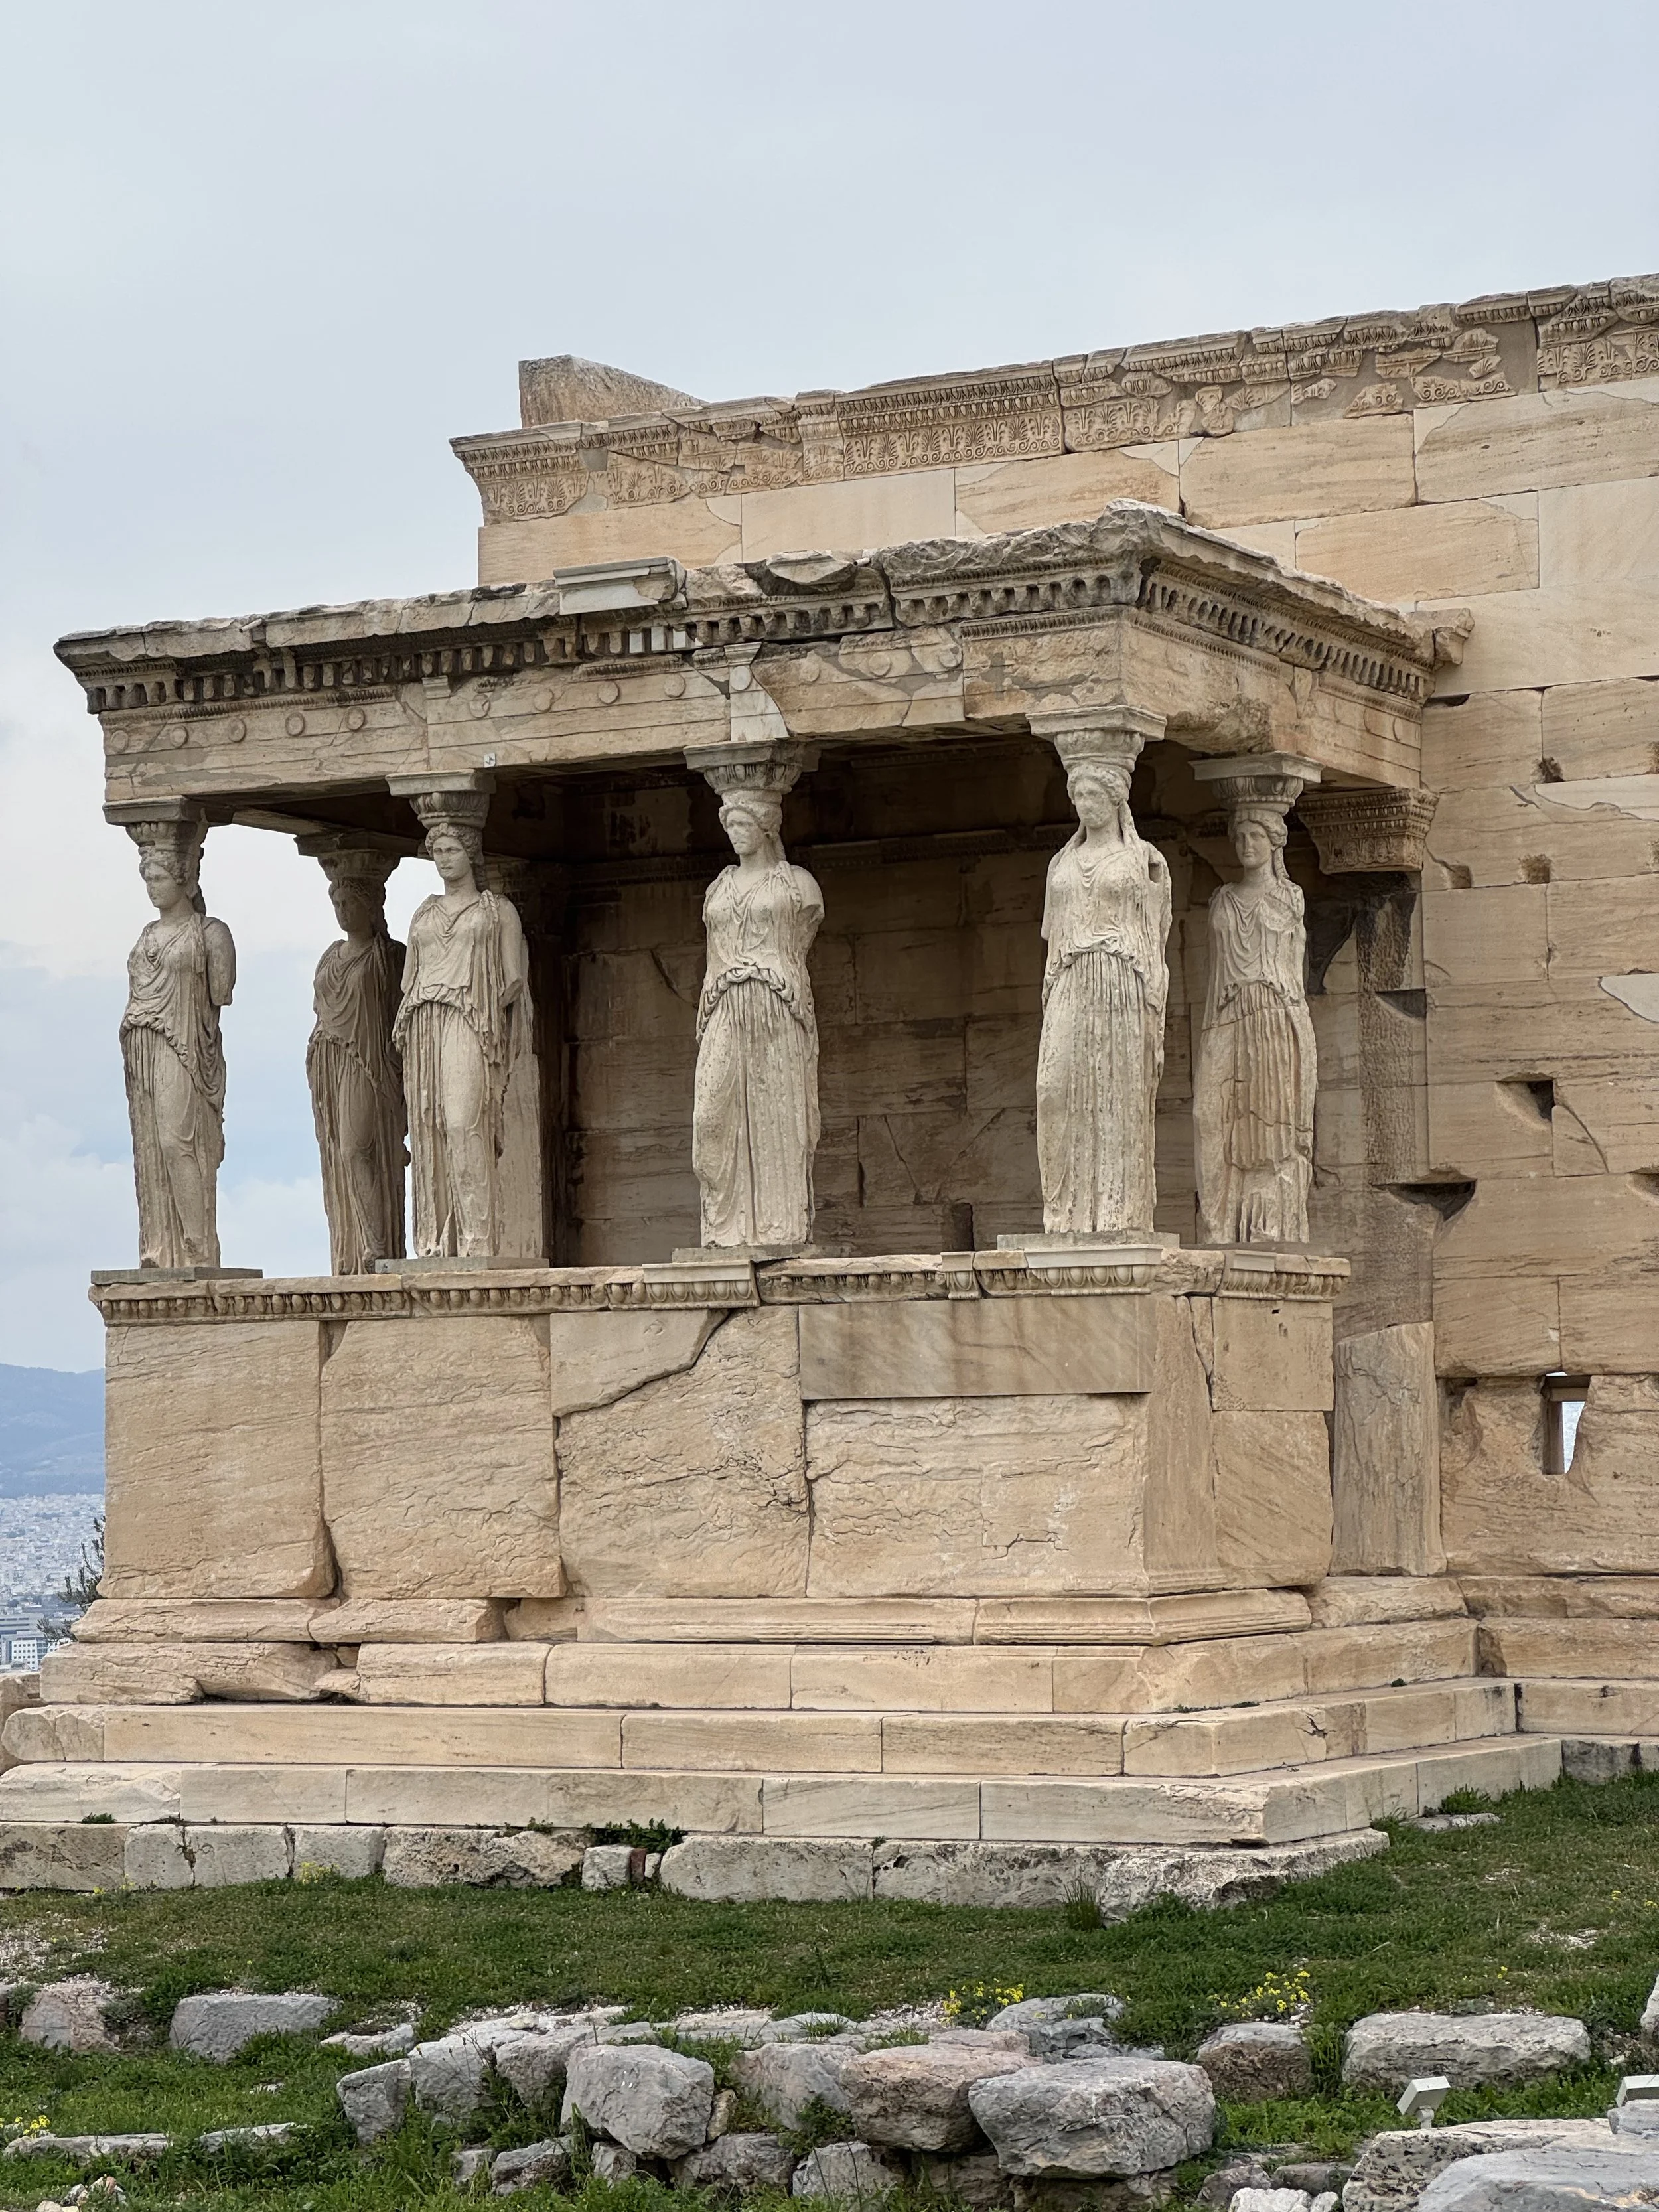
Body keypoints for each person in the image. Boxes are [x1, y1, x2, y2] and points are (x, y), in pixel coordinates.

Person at [1036, 755, 1171, 1238]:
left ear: (1116, 798)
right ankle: (1064, 1210)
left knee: (1116, 1093)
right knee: (1054, 1090)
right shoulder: (1062, 862)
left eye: (1093, 794)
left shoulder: (1143, 860)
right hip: (1071, 976)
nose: (1084, 804)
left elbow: (1154, 934)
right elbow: (1053, 933)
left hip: (1120, 979)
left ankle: (1118, 1210)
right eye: (1078, 796)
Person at [693, 786, 824, 1248]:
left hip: (776, 1002)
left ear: (767, 826)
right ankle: (725, 1225)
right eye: (729, 826)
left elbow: (802, 935)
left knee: (777, 1115)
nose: (735, 835)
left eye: (743, 824)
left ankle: (778, 1225)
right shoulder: (719, 887)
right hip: (724, 1004)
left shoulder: (798, 887)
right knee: (711, 1118)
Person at [393, 812, 528, 1257]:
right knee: (430, 1127)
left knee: (462, 1122)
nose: (444, 860)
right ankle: (437, 1242)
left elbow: (513, 978)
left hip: (472, 1022)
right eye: (437, 852)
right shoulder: (425, 912)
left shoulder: (497, 911)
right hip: (425, 1023)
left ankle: (478, 1239)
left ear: (470, 853)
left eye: (452, 850)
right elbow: (409, 979)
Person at [1194, 804, 1316, 1245]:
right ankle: (1220, 1223)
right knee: (1211, 1115)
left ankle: (1268, 1226)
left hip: (1274, 1016)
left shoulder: (1290, 898)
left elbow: (1292, 968)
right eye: (1240, 837)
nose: (1247, 845)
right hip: (1227, 1015)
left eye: (1256, 837)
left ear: (1274, 842)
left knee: (1271, 1125)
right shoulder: (1222, 899)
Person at [119, 825, 235, 1268]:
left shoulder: (211, 933)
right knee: (150, 1145)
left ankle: (199, 1245)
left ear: (185, 877)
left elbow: (221, 992)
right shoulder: (146, 934)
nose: (153, 887)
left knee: (176, 1142)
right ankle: (161, 1248)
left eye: (160, 877)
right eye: (148, 878)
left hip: (184, 1046)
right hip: (142, 1045)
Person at [307, 851, 406, 1274]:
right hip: (330, 1060)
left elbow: (402, 1014)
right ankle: (357, 1247)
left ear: (373, 906)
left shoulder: (390, 956)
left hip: (370, 1063)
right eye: (338, 904)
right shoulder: (331, 955)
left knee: (356, 1148)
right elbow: (319, 1010)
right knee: (339, 1151)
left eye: (351, 903)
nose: (344, 912)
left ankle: (379, 1245)